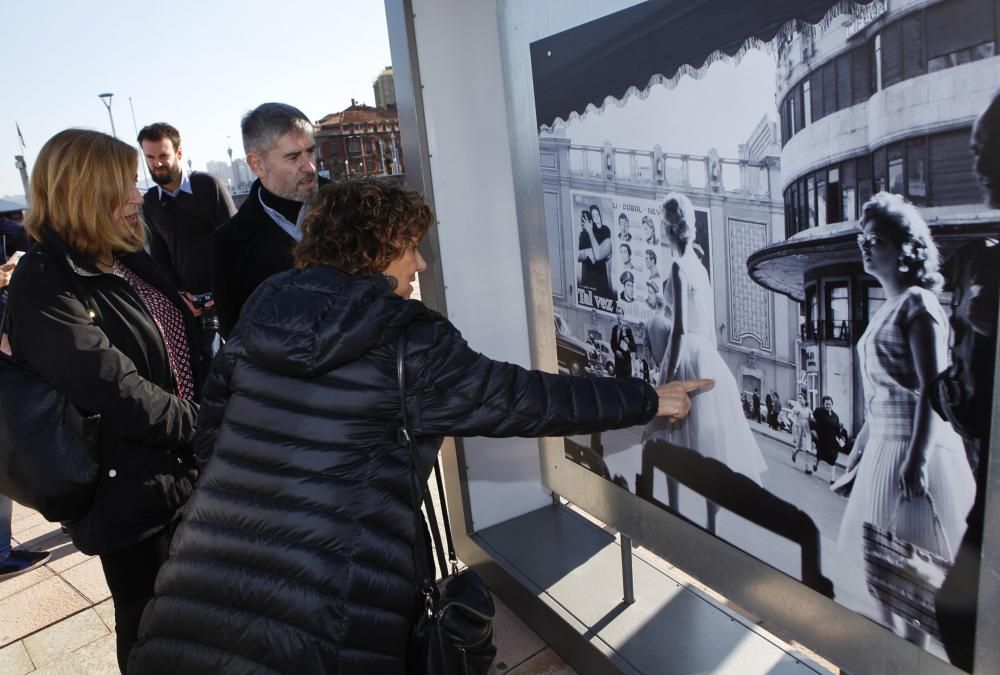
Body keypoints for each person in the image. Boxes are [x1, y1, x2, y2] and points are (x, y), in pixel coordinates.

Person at [127, 178, 712, 674]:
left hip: (199, 585)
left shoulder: (266, 305)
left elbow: (211, 433)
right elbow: (527, 400)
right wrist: (646, 399)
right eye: (411, 246)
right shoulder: (406, 337)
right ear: (379, 248)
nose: (422, 264)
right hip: (325, 608)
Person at [4, 129, 202, 672]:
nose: (137, 195)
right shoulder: (45, 281)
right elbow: (118, 392)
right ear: (80, 192)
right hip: (132, 500)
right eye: (122, 186)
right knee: (155, 638)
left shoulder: (128, 257)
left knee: (209, 626)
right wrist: (212, 424)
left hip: (188, 472)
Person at [836, 193, 975, 647]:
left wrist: (915, 459)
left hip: (914, 453)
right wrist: (856, 453)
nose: (864, 244)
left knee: (911, 587)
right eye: (862, 236)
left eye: (875, 237)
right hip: (884, 452)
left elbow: (931, 389)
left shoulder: (918, 304)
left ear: (906, 249)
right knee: (881, 578)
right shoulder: (886, 308)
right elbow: (883, 398)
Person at [643, 192, 767, 533]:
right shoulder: (698, 267)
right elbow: (700, 321)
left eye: (661, 222)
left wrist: (667, 380)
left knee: (671, 436)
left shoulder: (678, 267)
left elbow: (680, 329)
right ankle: (711, 524)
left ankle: (674, 511)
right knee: (706, 442)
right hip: (705, 356)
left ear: (669, 227)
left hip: (684, 353)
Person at [932, 90, 1000, 671]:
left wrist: (939, 390)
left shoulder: (984, 268)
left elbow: (972, 403)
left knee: (959, 618)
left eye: (986, 149)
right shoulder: (983, 261)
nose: (977, 162)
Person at [212, 103, 324, 339]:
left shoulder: (352, 207)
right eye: (293, 157)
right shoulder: (228, 244)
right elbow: (235, 335)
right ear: (257, 165)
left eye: (311, 151)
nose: (310, 166)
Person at [138, 123, 236, 375]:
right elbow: (159, 256)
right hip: (189, 303)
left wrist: (223, 290)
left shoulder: (207, 185)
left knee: (237, 362)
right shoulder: (150, 202)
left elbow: (235, 240)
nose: (156, 164)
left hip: (226, 297)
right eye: (150, 157)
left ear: (179, 153)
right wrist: (178, 294)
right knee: (202, 368)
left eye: (163, 156)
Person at [577, 206, 613, 300]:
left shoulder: (605, 233)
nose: (596, 218)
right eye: (593, 216)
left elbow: (598, 255)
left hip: (601, 280)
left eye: (597, 215)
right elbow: (578, 256)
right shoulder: (584, 235)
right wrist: (586, 252)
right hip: (587, 279)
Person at [811, 396, 842, 482]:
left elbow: (837, 429)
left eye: (830, 404)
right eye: (826, 404)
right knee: (820, 455)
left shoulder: (835, 416)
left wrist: (840, 438)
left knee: (833, 459)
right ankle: (816, 464)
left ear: (832, 404)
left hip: (832, 441)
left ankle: (832, 479)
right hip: (822, 439)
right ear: (823, 404)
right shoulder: (818, 411)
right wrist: (813, 431)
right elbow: (812, 421)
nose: (828, 406)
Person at [610, 305, 636, 379]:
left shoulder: (627, 329)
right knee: (619, 384)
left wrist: (628, 342)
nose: (618, 315)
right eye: (617, 313)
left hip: (626, 362)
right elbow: (612, 343)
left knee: (626, 386)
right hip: (618, 362)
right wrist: (616, 351)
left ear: (623, 315)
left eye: (620, 313)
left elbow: (634, 347)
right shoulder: (614, 329)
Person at [789, 392, 813, 469]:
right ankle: (794, 452)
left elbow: (812, 418)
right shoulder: (797, 408)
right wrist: (795, 421)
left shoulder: (809, 410)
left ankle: (807, 468)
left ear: (805, 400)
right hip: (800, 429)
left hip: (807, 430)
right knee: (800, 447)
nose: (799, 400)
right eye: (798, 398)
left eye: (801, 398)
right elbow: (790, 415)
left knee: (807, 449)